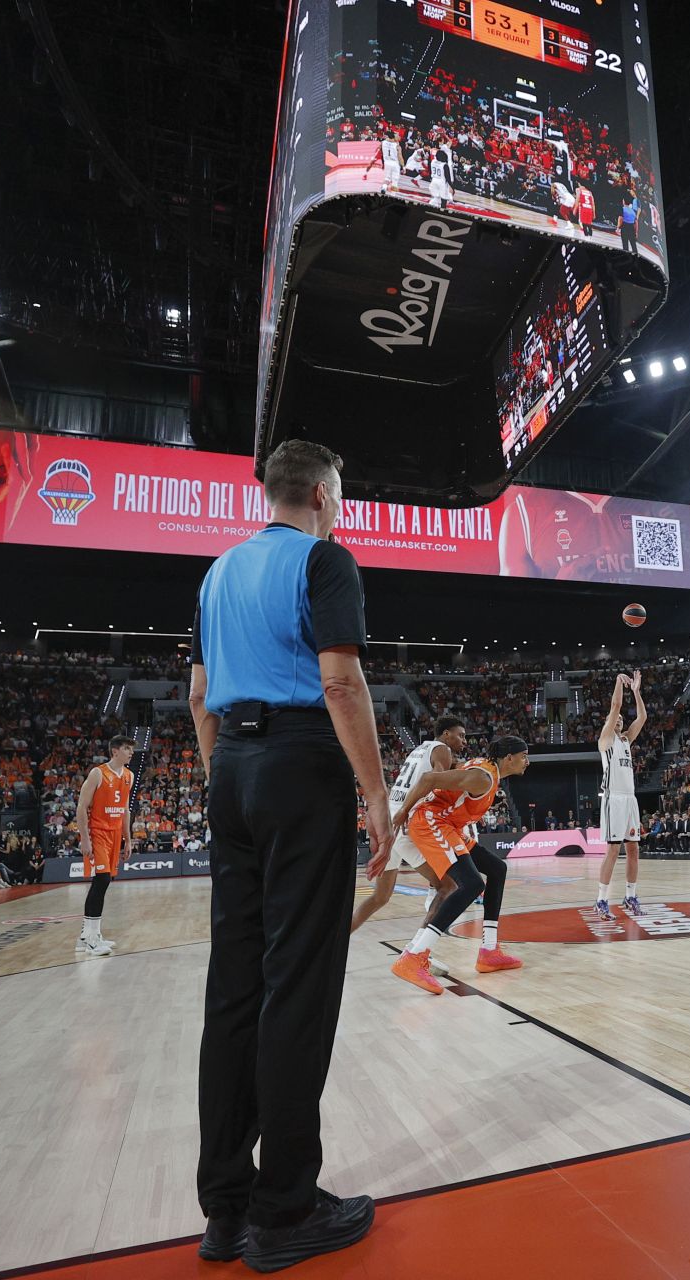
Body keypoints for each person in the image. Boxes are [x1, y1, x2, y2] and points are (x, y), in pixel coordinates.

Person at [188, 440, 386, 1269]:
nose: (340, 507)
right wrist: (375, 794)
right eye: (339, 494)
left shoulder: (215, 574)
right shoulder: (325, 561)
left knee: (233, 990)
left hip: (230, 767)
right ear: (319, 493)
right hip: (301, 766)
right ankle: (285, 1210)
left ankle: (225, 1212)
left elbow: (200, 696)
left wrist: (227, 781)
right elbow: (340, 684)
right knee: (295, 986)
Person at [384, 735, 533, 991]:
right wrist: (402, 812)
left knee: (498, 869)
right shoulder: (482, 777)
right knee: (470, 884)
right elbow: (428, 779)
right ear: (509, 757)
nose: (527, 762)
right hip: (431, 822)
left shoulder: (489, 773)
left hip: (448, 824)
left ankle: (489, 951)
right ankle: (414, 957)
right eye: (524, 756)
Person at [349, 717, 466, 939]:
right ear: (446, 734)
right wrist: (467, 778)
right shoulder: (442, 749)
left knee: (380, 898)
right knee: (449, 886)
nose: (464, 740)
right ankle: (417, 953)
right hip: (404, 822)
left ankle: (337, 938)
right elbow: (437, 779)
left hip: (389, 819)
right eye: (460, 735)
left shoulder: (420, 749)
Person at [74, 735, 137, 958]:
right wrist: (85, 838)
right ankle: (91, 939)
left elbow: (126, 810)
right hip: (98, 832)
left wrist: (128, 839)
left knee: (105, 881)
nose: (131, 753)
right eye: (127, 749)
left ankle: (87, 935)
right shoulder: (98, 773)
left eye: (132, 749)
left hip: (115, 834)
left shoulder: (128, 776)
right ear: (115, 751)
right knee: (100, 880)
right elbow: (81, 807)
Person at [594, 671, 646, 920]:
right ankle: (601, 900)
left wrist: (636, 692)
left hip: (630, 799)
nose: (619, 720)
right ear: (608, 722)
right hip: (613, 799)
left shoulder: (625, 740)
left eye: (622, 720)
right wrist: (618, 681)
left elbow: (643, 717)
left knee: (633, 849)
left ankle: (630, 895)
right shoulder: (606, 740)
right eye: (615, 719)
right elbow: (615, 705)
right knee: (613, 851)